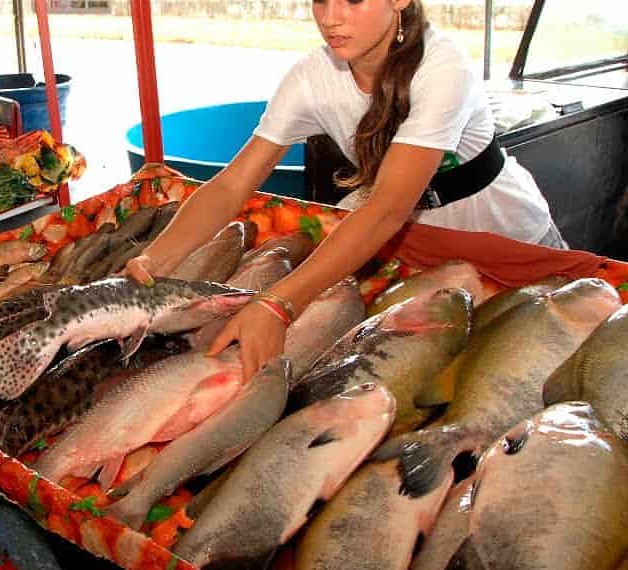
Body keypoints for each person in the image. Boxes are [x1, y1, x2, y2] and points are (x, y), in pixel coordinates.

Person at [126, 0, 566, 381]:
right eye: (320, 0)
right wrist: (154, 259)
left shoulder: (443, 67)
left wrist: (279, 303)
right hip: (413, 257)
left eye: (352, 0)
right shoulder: (311, 78)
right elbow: (232, 184)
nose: (330, 18)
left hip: (506, 238)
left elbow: (388, 209)